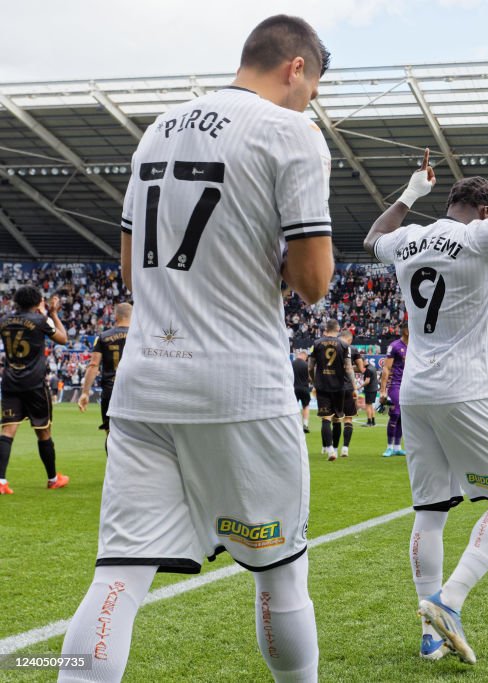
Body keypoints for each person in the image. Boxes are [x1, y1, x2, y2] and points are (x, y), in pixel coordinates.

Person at [59, 16, 334, 683]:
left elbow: (128, 270)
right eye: (314, 87)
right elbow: (314, 283)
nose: (312, 102)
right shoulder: (291, 132)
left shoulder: (158, 129)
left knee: (118, 579)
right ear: (295, 67)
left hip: (145, 386)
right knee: (280, 576)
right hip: (240, 387)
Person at [363, 123, 488, 663]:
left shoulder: (409, 238)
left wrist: (411, 192)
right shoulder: (480, 235)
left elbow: (371, 241)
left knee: (431, 509)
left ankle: (430, 631)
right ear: (485, 212)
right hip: (467, 390)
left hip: (418, 392)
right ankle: (449, 602)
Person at [0, 287, 69, 494]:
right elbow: (63, 339)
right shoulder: (41, 321)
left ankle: (1, 481)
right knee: (43, 431)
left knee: (7, 431)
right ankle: (53, 479)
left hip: (11, 382)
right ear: (38, 301)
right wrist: (53, 314)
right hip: (35, 384)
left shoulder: (4, 320)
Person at [78, 302, 132, 449]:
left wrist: (85, 393)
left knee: (111, 435)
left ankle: (113, 470)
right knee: (136, 437)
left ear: (115, 316)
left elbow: (94, 365)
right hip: (134, 390)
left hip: (111, 391)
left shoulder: (103, 337)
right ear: (132, 316)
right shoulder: (140, 336)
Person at [309, 320, 358, 460]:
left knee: (325, 418)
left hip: (322, 386)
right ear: (338, 329)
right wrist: (354, 386)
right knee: (337, 419)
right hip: (339, 387)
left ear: (326, 328)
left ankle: (330, 450)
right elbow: (348, 368)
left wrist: (314, 381)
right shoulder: (344, 345)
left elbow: (310, 367)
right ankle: (338, 449)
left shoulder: (317, 344)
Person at [380, 324, 409, 456]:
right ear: (405, 331)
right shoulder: (395, 346)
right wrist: (383, 390)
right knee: (395, 413)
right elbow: (386, 368)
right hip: (395, 385)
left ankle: (397, 447)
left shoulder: (416, 346)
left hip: (409, 385)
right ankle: (389, 446)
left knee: (403, 416)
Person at [292, 349, 312, 433]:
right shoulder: (306, 365)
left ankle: (294, 425)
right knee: (306, 406)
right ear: (305, 356)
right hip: (304, 389)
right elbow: (310, 378)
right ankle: (305, 425)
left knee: (293, 407)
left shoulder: (291, 364)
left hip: (293, 389)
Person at [361, 360, 380, 427]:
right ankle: (373, 422)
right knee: (371, 405)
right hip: (374, 389)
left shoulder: (368, 370)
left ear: (364, 362)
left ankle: (369, 422)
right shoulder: (373, 367)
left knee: (368, 406)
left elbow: (367, 381)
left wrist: (359, 387)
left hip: (370, 389)